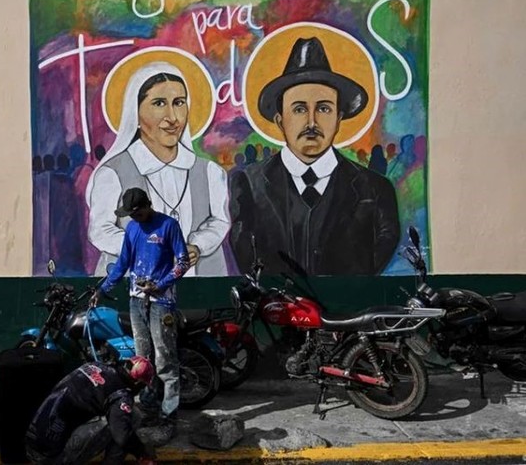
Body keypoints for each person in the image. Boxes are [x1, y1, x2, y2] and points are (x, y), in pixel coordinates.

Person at [229, 36, 400, 276]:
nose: (311, 122)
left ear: (339, 118)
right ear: (280, 120)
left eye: (323, 108)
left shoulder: (375, 190)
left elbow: (373, 262)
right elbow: (248, 257)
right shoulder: (248, 185)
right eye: (299, 109)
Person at [86, 58, 230, 277]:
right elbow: (101, 230)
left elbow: (219, 221)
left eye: (179, 103)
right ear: (136, 113)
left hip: (196, 289)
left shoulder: (210, 173)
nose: (173, 118)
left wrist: (197, 245)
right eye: (159, 103)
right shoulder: (113, 173)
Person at [91, 187, 189, 435]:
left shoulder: (169, 226)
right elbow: (123, 263)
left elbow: (183, 262)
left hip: (161, 303)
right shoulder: (132, 229)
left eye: (137, 213)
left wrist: (161, 284)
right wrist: (102, 289)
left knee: (165, 361)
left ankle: (169, 417)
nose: (134, 218)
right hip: (136, 301)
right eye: (130, 215)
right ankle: (148, 410)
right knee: (141, 362)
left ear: (148, 205)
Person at [25, 356, 158, 465]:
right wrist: (142, 453)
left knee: (115, 417)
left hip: (31, 446)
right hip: (51, 458)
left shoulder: (94, 365)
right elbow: (122, 436)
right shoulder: (120, 395)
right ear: (137, 383)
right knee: (131, 418)